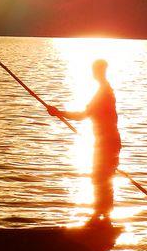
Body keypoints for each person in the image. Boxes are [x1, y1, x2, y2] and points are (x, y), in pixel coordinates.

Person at [47, 59, 121, 222]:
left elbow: (83, 115)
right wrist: (59, 113)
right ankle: (102, 215)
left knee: (102, 177)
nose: (94, 73)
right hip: (106, 141)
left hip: (107, 143)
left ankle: (102, 215)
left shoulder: (104, 93)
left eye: (95, 70)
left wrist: (59, 113)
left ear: (99, 71)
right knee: (101, 177)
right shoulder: (104, 91)